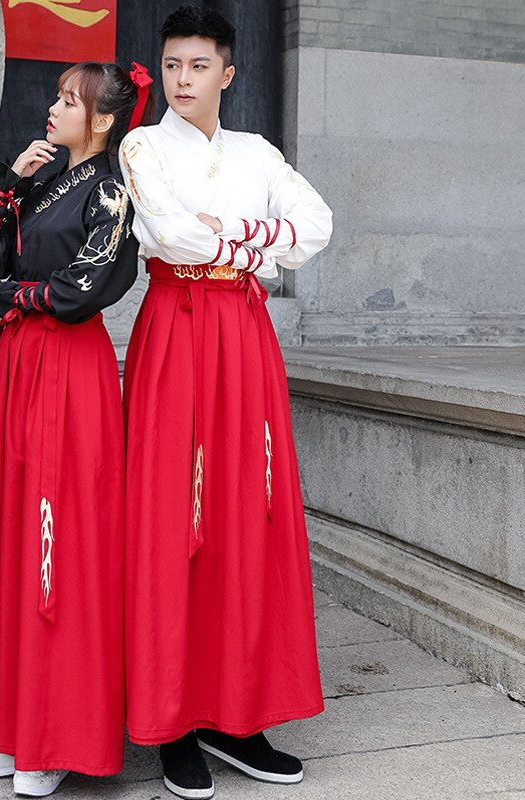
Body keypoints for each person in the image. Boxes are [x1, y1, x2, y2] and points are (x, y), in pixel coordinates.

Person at [118, 6, 333, 799]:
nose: (182, 80)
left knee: (249, 510)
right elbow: (168, 235)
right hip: (176, 331)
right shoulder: (141, 144)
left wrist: (235, 234)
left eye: (198, 66)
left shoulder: (257, 151)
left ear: (227, 74)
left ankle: (234, 712)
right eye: (172, 65)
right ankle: (172, 719)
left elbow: (316, 224)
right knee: (175, 516)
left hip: (244, 335)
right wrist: (254, 243)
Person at [0, 61, 153, 797]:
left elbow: (80, 290)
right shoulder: (43, 180)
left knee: (59, 537)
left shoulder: (113, 192)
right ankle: (2, 729)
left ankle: (54, 736)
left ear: (103, 119)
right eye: (57, 97)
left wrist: (10, 294)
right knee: (2, 537)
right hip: (17, 365)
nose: (52, 110)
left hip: (70, 371)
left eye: (68, 101)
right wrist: (8, 186)